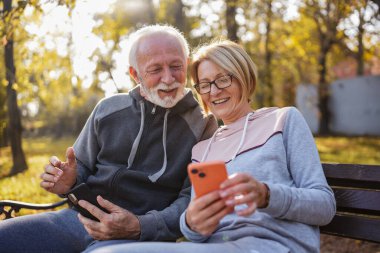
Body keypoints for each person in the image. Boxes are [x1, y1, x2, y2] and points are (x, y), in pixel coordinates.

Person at [89, 40, 336, 253]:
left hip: (275, 246)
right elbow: (196, 232)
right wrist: (191, 223)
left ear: (244, 77)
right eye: (204, 84)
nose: (214, 91)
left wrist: (266, 195)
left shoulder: (283, 120)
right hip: (215, 246)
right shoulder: (203, 148)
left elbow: (324, 205)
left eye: (222, 79)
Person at [0, 25, 217, 253]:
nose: (168, 78)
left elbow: (191, 198)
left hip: (141, 238)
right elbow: (80, 167)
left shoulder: (204, 126)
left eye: (176, 66)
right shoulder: (108, 109)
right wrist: (69, 182)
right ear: (135, 74)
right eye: (155, 69)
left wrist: (140, 226)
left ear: (187, 63)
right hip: (76, 221)